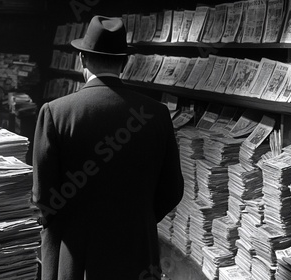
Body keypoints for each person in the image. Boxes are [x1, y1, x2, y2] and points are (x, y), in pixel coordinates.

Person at [32, 15, 184, 280]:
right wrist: (138, 221)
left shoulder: (55, 113)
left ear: (81, 59)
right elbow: (172, 190)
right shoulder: (157, 114)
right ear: (124, 62)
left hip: (75, 257)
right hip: (136, 254)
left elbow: (43, 199)